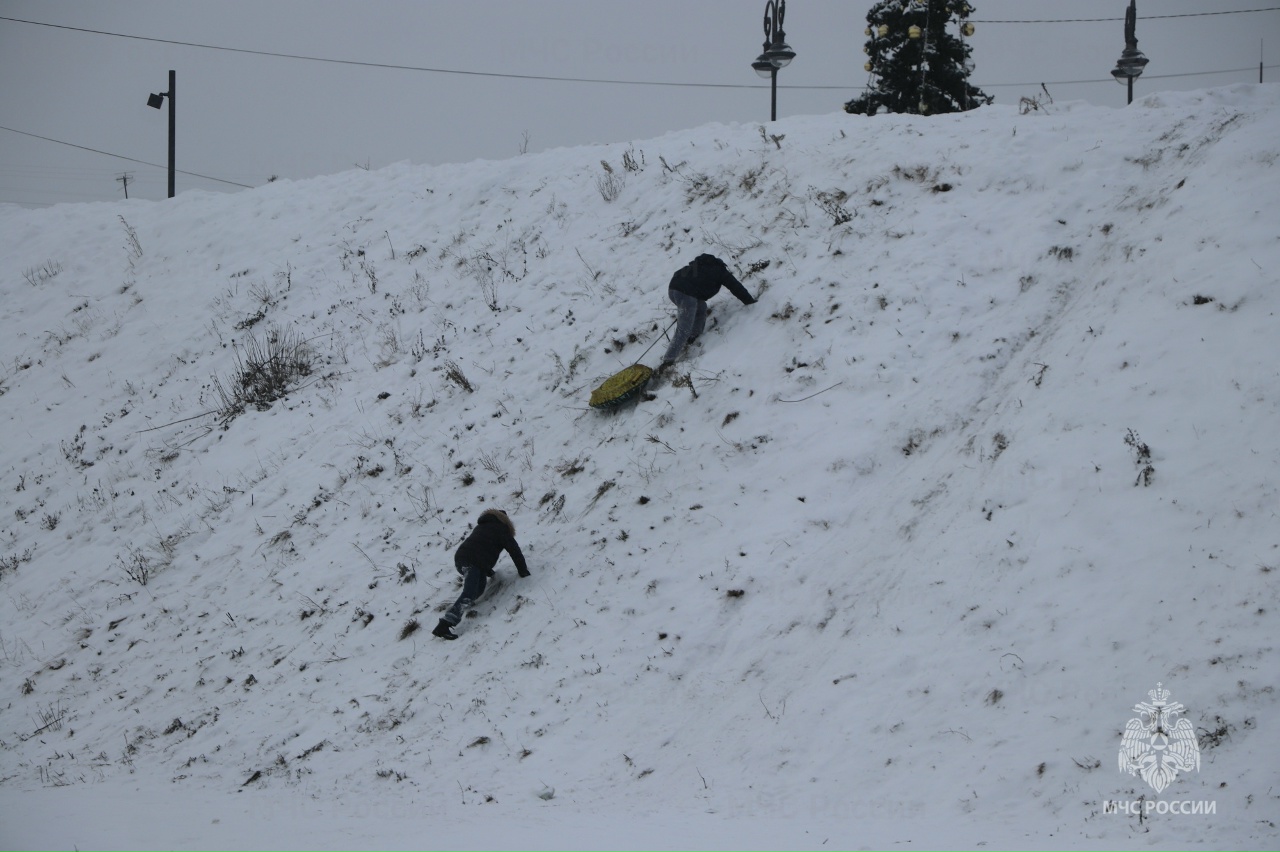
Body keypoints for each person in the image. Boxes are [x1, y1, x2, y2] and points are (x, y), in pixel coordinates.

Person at [432, 509, 529, 640]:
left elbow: (481, 547)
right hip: (473, 561)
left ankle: (463, 605)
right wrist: (523, 570)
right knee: (470, 592)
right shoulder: (501, 529)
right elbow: (514, 551)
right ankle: (444, 624)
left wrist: (488, 570)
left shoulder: (482, 526)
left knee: (479, 587)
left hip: (462, 558)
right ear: (505, 520)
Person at [658, 253, 756, 374]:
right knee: (684, 329)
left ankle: (694, 335)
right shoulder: (720, 271)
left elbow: (680, 274)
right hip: (686, 293)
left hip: (673, 288)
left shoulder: (699, 265)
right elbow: (735, 286)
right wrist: (749, 301)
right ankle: (667, 362)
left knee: (701, 307)